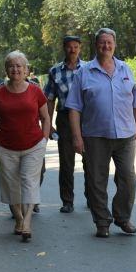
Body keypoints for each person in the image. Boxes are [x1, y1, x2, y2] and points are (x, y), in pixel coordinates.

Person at [65, 28, 136, 238]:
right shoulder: (84, 72)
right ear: (96, 45)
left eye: (109, 42)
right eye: (102, 43)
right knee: (96, 180)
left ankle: (123, 217)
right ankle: (102, 222)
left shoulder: (126, 69)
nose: (106, 46)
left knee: (128, 177)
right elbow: (74, 107)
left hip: (125, 136)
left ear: (114, 45)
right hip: (95, 136)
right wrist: (76, 137)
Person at [0, 51, 50, 242]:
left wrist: (44, 139)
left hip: (33, 145)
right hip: (6, 147)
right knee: (10, 185)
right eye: (11, 66)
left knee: (29, 181)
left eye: (19, 66)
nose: (15, 69)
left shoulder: (35, 91)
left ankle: (27, 222)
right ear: (7, 70)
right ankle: (19, 219)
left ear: (26, 70)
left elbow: (45, 118)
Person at [44, 35, 86, 213]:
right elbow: (50, 99)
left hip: (87, 119)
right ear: (64, 48)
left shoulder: (88, 69)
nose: (73, 50)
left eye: (76, 47)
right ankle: (67, 201)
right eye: (69, 47)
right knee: (67, 162)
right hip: (64, 118)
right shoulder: (55, 71)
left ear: (80, 48)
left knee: (91, 161)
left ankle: (93, 197)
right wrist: (48, 123)